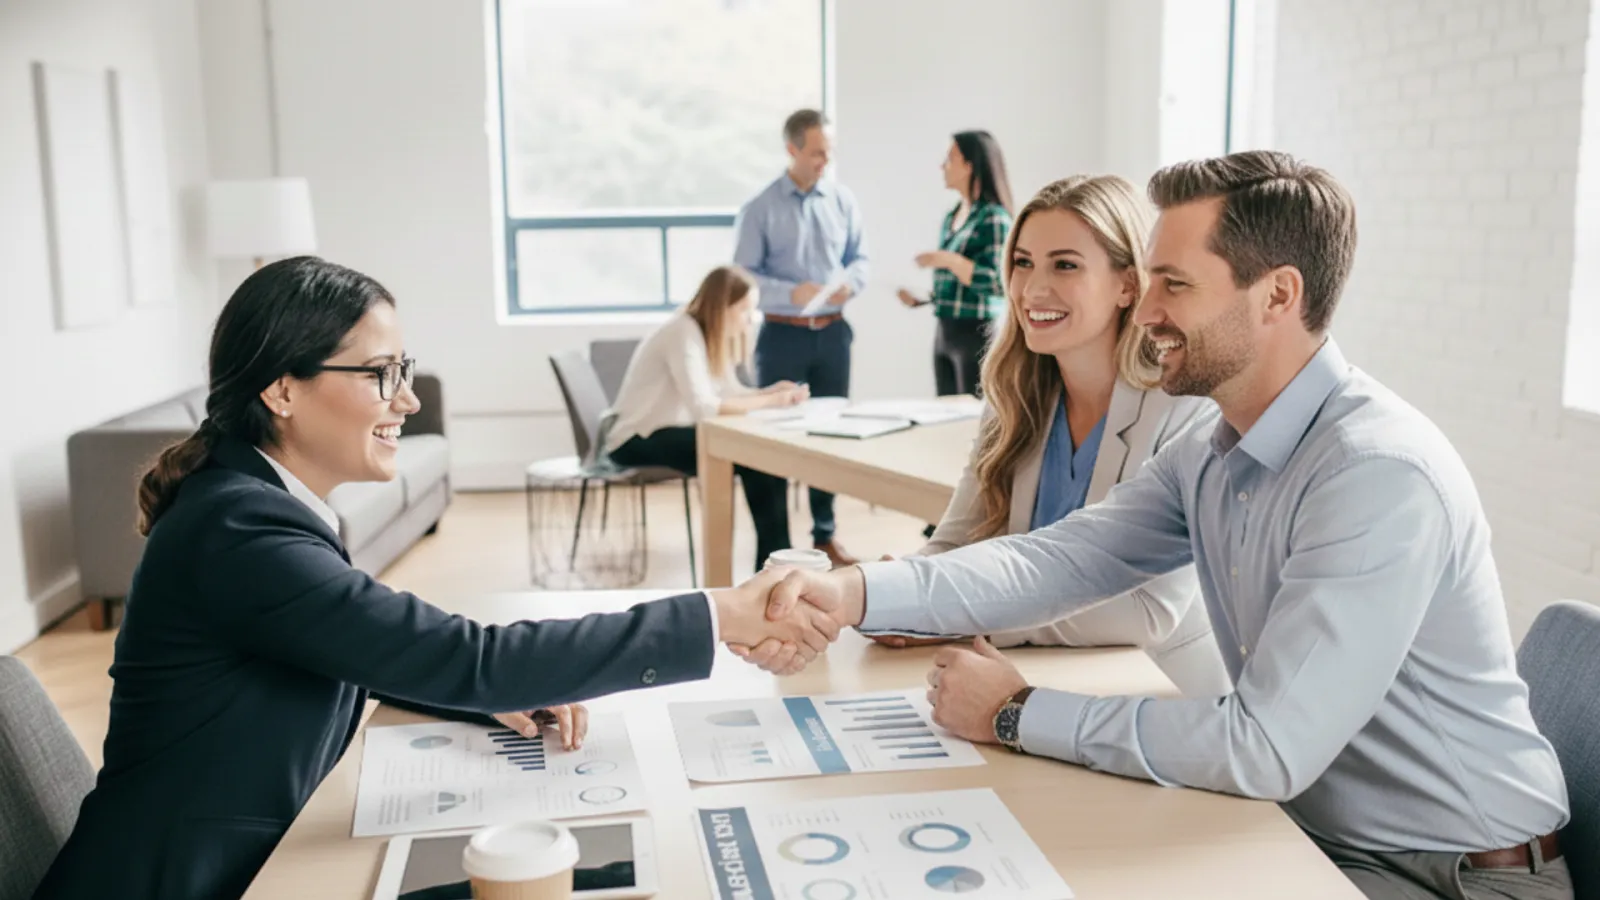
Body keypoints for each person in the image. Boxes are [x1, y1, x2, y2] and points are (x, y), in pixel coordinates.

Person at [743, 152, 1575, 900]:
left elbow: (1264, 749)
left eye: (1175, 285)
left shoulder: (1374, 473)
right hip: (1310, 829)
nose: (1146, 313)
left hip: (1456, 875)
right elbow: (1052, 561)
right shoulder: (1218, 449)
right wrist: (850, 590)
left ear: (1278, 294)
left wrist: (1014, 712)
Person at [33, 257, 836, 900]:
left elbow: (361, 646)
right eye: (381, 373)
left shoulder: (256, 501)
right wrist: (715, 614)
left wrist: (480, 691)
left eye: (404, 368)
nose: (409, 398)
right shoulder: (239, 529)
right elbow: (467, 654)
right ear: (282, 389)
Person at [873, 175, 1228, 698]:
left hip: (1157, 698)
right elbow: (953, 543)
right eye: (1022, 263)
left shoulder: (1186, 408)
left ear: (1128, 285)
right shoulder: (1014, 394)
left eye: (1065, 265)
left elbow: (1149, 611)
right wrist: (894, 592)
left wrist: (956, 611)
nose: (1033, 289)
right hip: (1026, 687)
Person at [733, 108, 869, 568]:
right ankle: (776, 548)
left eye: (828, 152)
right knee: (776, 438)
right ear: (792, 150)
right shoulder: (760, 208)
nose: (824, 161)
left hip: (833, 335)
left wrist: (853, 282)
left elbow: (860, 260)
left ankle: (824, 536)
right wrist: (792, 291)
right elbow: (741, 279)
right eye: (816, 153)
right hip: (781, 336)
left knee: (830, 434)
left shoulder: (843, 201)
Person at [606, 265, 809, 571]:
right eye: (744, 310)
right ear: (722, 307)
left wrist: (769, 392)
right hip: (635, 439)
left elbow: (728, 392)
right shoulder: (681, 331)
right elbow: (705, 407)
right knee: (757, 456)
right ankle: (776, 562)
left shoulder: (703, 334)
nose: (749, 319)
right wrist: (771, 401)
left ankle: (776, 560)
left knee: (763, 456)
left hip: (668, 433)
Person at [897, 130, 1014, 397]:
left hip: (976, 333)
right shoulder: (953, 216)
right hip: (945, 330)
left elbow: (998, 283)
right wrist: (924, 298)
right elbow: (958, 287)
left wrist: (947, 260)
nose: (943, 166)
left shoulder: (994, 218)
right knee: (947, 418)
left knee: (974, 420)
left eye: (950, 159)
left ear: (970, 166)